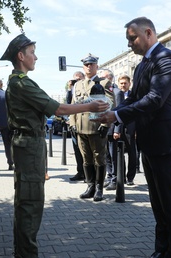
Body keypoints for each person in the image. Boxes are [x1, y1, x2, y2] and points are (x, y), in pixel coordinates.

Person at [0, 33, 109, 257]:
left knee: (26, 202)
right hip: (29, 145)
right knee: (30, 204)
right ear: (21, 56)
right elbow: (57, 109)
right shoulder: (21, 83)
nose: (36, 57)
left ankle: (22, 251)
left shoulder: (19, 82)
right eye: (32, 53)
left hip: (29, 144)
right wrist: (91, 107)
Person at [96, 17, 171, 258]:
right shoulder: (141, 66)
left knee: (170, 203)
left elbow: (154, 99)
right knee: (157, 204)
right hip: (148, 142)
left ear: (148, 33)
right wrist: (113, 113)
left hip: (167, 142)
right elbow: (133, 98)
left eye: (132, 38)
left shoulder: (167, 59)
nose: (130, 44)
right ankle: (162, 250)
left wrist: (117, 115)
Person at [69, 53, 114, 202]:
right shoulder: (78, 84)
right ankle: (90, 186)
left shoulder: (104, 83)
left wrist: (105, 124)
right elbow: (74, 105)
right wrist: (73, 123)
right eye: (86, 65)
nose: (89, 67)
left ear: (97, 66)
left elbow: (110, 105)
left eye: (92, 64)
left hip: (96, 127)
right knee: (86, 159)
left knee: (99, 159)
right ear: (83, 67)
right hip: (81, 127)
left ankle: (99, 188)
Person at [106, 75, 137, 189]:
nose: (123, 85)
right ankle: (121, 176)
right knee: (118, 153)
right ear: (118, 84)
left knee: (132, 153)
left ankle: (130, 177)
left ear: (129, 84)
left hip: (130, 128)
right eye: (121, 83)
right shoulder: (115, 94)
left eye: (125, 83)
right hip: (117, 128)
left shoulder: (133, 96)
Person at [68, 71, 85, 181]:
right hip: (75, 124)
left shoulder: (86, 87)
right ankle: (80, 172)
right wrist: (70, 88)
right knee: (77, 150)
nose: (77, 81)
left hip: (84, 124)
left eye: (79, 79)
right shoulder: (73, 90)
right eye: (75, 79)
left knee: (86, 152)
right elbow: (70, 104)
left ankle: (88, 174)